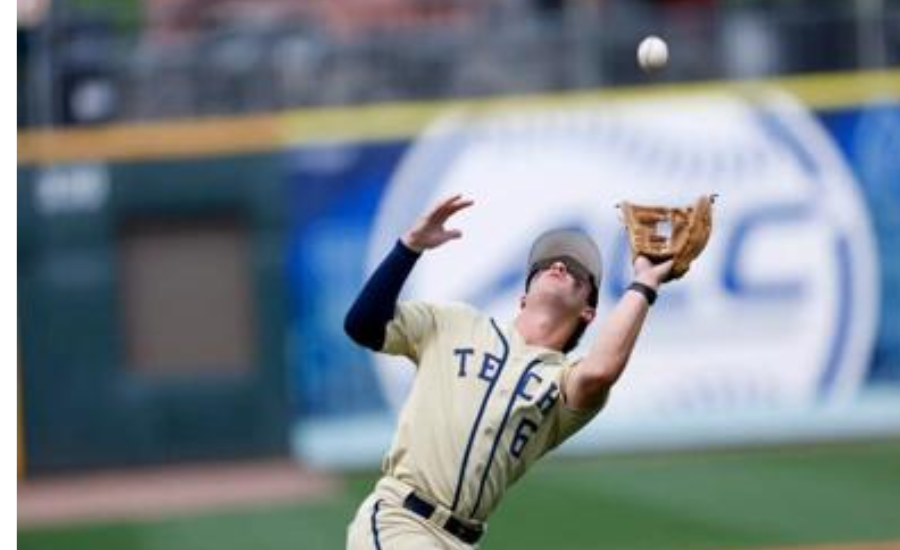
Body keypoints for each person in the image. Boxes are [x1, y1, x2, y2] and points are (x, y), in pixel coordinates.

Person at [344, 194, 674, 549]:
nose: (560, 265)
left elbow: (600, 372)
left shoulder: (562, 382)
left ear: (588, 313)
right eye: (547, 263)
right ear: (523, 296)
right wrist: (409, 247)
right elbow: (363, 325)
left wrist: (645, 283)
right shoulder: (453, 322)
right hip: (401, 520)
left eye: (577, 270)